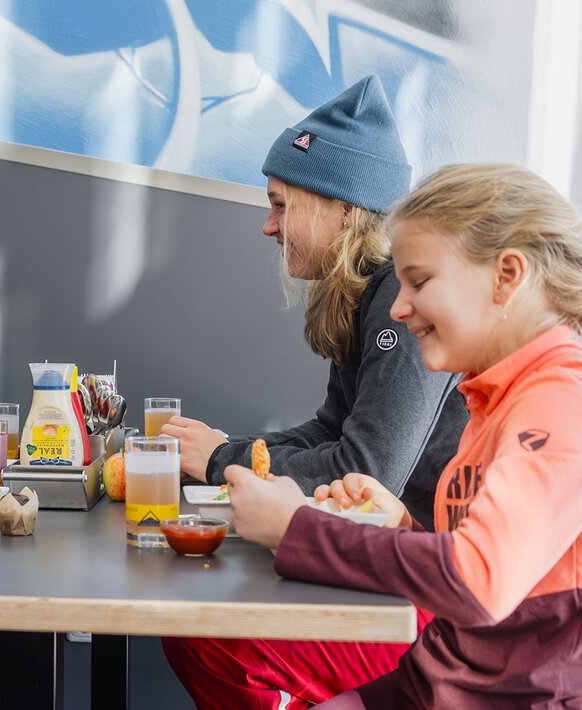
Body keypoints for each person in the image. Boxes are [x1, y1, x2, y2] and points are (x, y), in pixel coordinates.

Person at [226, 163, 582, 708]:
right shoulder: (497, 400)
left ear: (506, 276)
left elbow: (479, 581)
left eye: (421, 281)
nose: (397, 307)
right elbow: (489, 574)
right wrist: (406, 529)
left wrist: (296, 529)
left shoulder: (564, 405)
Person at [162, 76, 462, 708]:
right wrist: (226, 449)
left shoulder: (397, 304)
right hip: (397, 561)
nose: (268, 227)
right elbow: (330, 430)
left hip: (437, 592)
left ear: (342, 207)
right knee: (192, 631)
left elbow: (365, 467)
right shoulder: (364, 293)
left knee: (212, 640)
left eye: (281, 205)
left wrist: (221, 459)